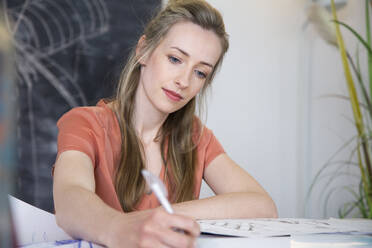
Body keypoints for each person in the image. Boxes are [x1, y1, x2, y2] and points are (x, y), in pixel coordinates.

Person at [53, 0, 278, 247]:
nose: (184, 80)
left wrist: (158, 217)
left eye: (200, 72)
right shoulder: (85, 123)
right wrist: (120, 228)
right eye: (175, 59)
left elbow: (261, 205)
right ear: (144, 50)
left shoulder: (196, 137)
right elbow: (69, 199)